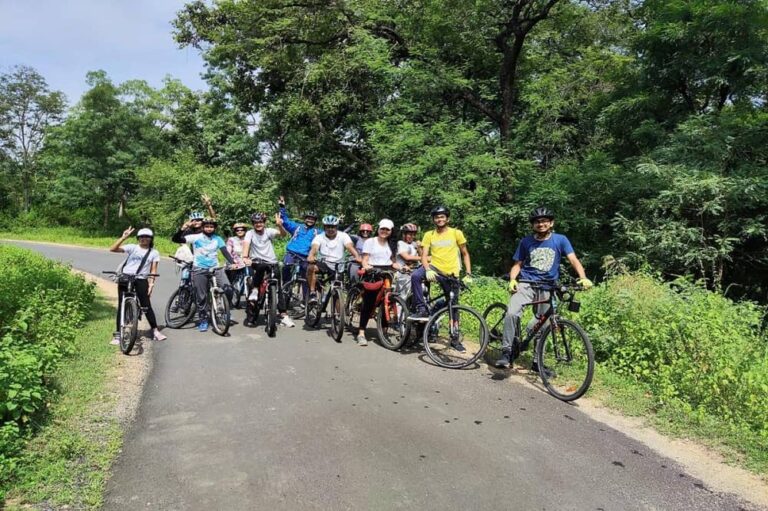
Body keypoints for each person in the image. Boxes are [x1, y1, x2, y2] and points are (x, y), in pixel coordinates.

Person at [494, 207, 593, 369]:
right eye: (537, 222)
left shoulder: (560, 240)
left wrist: (583, 277)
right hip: (526, 283)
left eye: (544, 221)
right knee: (512, 312)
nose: (541, 224)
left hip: (548, 286)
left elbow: (573, 260)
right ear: (533, 225)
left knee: (544, 322)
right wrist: (513, 279)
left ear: (551, 223)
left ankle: (536, 361)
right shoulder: (526, 241)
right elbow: (517, 264)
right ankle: (506, 351)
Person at [409, 206, 473, 326]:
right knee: (416, 276)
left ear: (447, 219)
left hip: (451, 273)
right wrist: (427, 269)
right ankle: (421, 309)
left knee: (453, 305)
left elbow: (465, 253)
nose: (439, 219)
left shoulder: (456, 233)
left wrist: (468, 273)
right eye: (437, 217)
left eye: (442, 217)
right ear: (434, 220)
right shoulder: (429, 234)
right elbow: (424, 255)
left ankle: (454, 337)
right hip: (434, 268)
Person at [174, 218, 235, 332]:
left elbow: (224, 251)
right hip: (199, 269)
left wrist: (233, 263)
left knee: (228, 289)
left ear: (214, 228)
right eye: (206, 226)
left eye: (211, 226)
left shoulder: (217, 239)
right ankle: (203, 319)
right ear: (203, 227)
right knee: (201, 297)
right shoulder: (196, 237)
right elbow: (176, 239)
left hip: (215, 268)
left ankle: (226, 311)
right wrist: (183, 228)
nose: (209, 228)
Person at [109, 227, 166, 343]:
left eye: (146, 237)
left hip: (141, 279)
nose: (144, 239)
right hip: (125, 277)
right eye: (141, 237)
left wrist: (151, 284)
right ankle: (118, 335)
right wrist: (123, 237)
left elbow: (153, 270)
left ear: (151, 239)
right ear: (138, 238)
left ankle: (155, 330)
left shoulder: (154, 252)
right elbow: (112, 249)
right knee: (122, 304)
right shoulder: (132, 247)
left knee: (146, 305)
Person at [241, 212, 295, 328]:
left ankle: (283, 315)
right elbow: (246, 244)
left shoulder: (268, 231)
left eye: (260, 222)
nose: (258, 224)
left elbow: (283, 235)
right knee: (259, 272)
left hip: (272, 262)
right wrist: (245, 257)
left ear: (264, 223)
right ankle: (255, 291)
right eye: (256, 223)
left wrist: (280, 225)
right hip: (257, 262)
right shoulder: (250, 234)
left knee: (278, 288)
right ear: (253, 224)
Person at [355, 219, 402, 346]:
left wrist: (402, 267)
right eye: (382, 229)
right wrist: (368, 266)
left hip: (387, 272)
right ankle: (361, 332)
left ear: (391, 231)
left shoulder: (392, 244)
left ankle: (384, 331)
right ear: (378, 229)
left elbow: (393, 261)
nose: (384, 231)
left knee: (386, 301)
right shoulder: (370, 241)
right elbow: (364, 260)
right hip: (373, 272)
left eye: (387, 230)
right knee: (369, 302)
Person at [306, 215, 361, 304]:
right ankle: (312, 293)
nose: (330, 229)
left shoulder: (343, 236)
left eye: (333, 227)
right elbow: (314, 248)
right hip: (324, 263)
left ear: (336, 227)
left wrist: (357, 256)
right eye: (328, 227)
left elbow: (350, 247)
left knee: (337, 294)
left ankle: (339, 316)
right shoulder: (319, 237)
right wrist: (311, 256)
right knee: (311, 267)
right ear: (324, 227)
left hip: (338, 266)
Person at [278, 195, 321, 284]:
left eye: (312, 219)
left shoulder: (317, 232)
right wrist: (282, 207)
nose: (310, 220)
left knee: (306, 279)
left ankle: (306, 297)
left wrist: (340, 226)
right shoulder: (297, 227)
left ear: (315, 221)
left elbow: (330, 233)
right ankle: (284, 290)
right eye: (308, 218)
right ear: (305, 219)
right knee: (286, 269)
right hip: (292, 253)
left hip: (305, 257)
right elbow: (285, 221)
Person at [226, 222, 250, 307]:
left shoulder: (249, 239)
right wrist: (232, 262)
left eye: (242, 229)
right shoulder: (231, 240)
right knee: (233, 281)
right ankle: (232, 295)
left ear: (245, 230)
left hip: (248, 262)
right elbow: (228, 252)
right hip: (236, 262)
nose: (239, 231)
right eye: (237, 230)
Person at [396, 223, 420, 298]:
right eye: (409, 234)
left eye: (413, 234)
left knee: (421, 292)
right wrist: (427, 258)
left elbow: (421, 256)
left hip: (414, 272)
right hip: (403, 273)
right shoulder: (400, 243)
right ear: (404, 234)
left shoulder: (414, 244)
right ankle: (399, 309)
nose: (412, 236)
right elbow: (407, 257)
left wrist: (419, 248)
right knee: (403, 296)